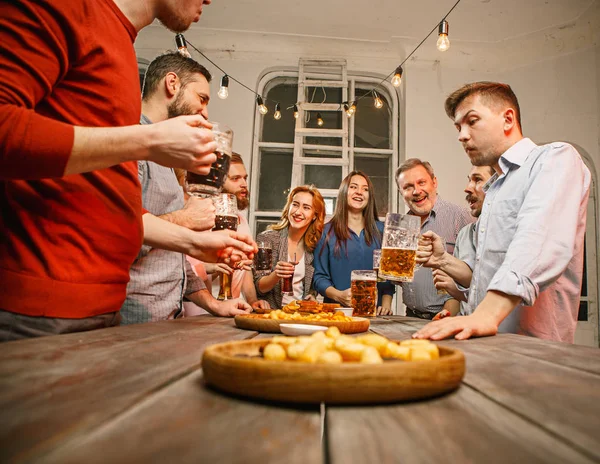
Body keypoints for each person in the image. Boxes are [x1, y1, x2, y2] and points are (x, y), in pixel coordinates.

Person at [0, 0, 257, 341]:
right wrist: (148, 141)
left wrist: (194, 244)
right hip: (42, 304)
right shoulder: (70, 8)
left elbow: (116, 210)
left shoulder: (123, 45)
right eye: (203, 99)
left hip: (103, 305)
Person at [414, 81, 590, 343]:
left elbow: (536, 244)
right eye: (458, 127)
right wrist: (445, 263)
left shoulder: (554, 159)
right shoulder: (494, 188)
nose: (461, 135)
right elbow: (486, 274)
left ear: (508, 119)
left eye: (472, 121)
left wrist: (484, 316)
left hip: (534, 351)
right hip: (485, 344)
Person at [121, 52, 252, 324]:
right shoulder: (131, 141)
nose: (205, 112)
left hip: (167, 314)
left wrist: (214, 304)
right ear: (172, 84)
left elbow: (174, 257)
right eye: (201, 98)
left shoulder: (166, 157)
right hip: (133, 312)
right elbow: (115, 236)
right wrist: (185, 220)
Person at [187, 153, 270, 312]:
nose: (244, 184)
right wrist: (214, 266)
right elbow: (184, 268)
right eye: (235, 178)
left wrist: (253, 301)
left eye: (245, 178)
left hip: (231, 308)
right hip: (199, 308)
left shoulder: (241, 221)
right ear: (217, 181)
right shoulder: (199, 217)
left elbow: (244, 272)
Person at [395, 159, 474, 319]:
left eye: (421, 182)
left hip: (449, 316)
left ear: (434, 182)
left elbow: (479, 275)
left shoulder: (461, 216)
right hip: (410, 316)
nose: (416, 191)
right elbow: (400, 278)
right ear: (401, 193)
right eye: (408, 187)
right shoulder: (401, 225)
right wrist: (385, 270)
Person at [313, 172, 395, 314]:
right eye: (354, 187)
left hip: (376, 315)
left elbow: (388, 277)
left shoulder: (383, 231)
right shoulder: (326, 232)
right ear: (344, 191)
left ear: (370, 197)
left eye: (365, 189)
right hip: (337, 313)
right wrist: (339, 295)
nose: (359, 192)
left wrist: (386, 305)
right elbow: (319, 277)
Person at [430, 165, 495, 320]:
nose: (467, 188)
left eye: (478, 179)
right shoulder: (465, 234)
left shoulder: (516, 234)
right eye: (469, 180)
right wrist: (448, 316)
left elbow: (504, 296)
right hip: (469, 331)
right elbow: (460, 296)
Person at [253, 185, 326, 309]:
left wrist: (312, 296)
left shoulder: (315, 246)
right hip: (272, 314)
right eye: (295, 204)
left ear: (314, 215)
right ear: (289, 207)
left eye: (306, 208)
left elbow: (312, 286)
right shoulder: (268, 239)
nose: (298, 212)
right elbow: (259, 288)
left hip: (300, 315)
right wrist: (276, 274)